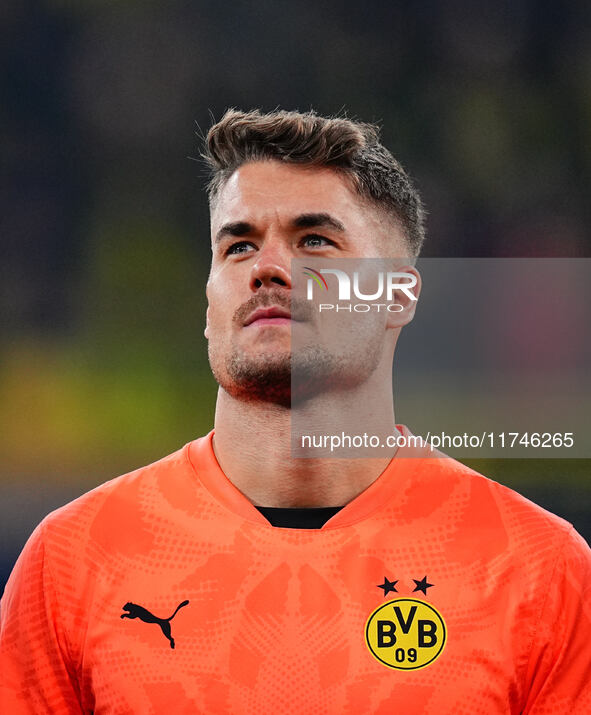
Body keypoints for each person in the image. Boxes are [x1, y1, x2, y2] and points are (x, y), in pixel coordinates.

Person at [1, 109, 590, 714]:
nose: (267, 269)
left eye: (314, 240)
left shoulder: (538, 571)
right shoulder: (71, 563)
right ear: (208, 301)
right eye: (238, 245)